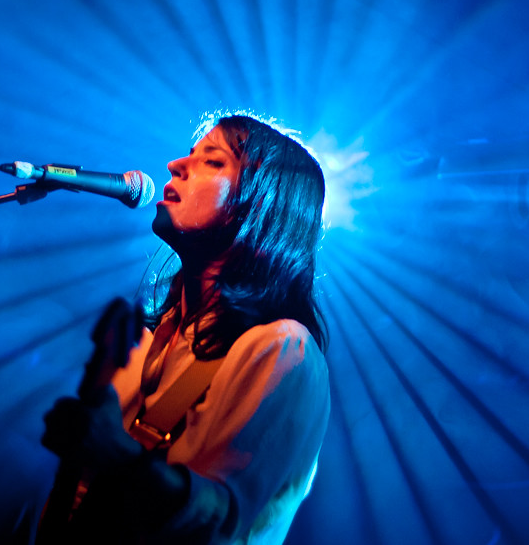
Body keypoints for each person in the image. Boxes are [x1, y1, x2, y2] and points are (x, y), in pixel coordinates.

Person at [39, 113, 330, 544]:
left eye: (212, 162)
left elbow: (216, 525)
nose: (176, 165)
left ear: (260, 202)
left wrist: (117, 456)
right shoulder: (153, 339)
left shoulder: (285, 350)